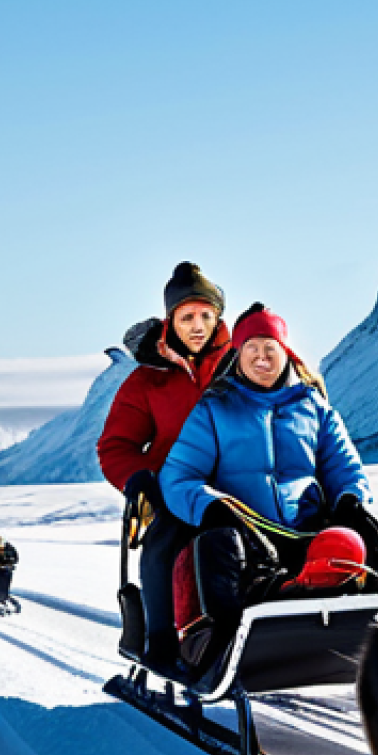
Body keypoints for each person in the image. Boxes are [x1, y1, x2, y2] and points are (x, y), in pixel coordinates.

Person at [160, 303, 378, 675]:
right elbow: (178, 476)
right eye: (252, 349)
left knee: (362, 536)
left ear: (285, 353)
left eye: (269, 349)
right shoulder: (214, 410)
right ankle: (221, 647)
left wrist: (350, 502)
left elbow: (345, 467)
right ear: (238, 355)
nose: (262, 358)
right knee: (219, 544)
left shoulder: (315, 408)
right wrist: (210, 506)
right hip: (247, 536)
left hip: (308, 530)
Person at [97, 261, 232, 665]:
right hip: (172, 488)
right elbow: (115, 446)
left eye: (206, 316)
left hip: (239, 483)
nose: (197, 326)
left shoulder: (239, 364)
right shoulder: (146, 381)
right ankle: (162, 640)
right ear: (170, 319)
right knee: (166, 542)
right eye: (187, 316)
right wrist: (139, 479)